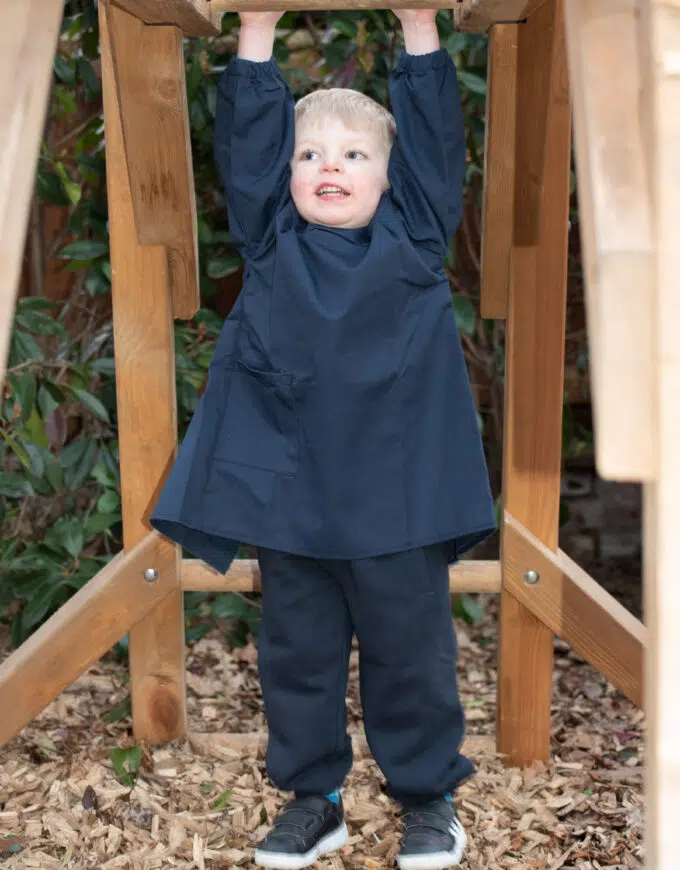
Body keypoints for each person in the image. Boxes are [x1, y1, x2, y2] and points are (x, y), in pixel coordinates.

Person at [150, 8, 496, 869]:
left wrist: (420, 27)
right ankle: (316, 800)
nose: (328, 167)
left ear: (390, 179)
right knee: (296, 658)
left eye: (353, 155)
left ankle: (427, 799)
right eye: (310, 156)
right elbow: (248, 148)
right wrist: (257, 29)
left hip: (397, 495)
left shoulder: (416, 238)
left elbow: (432, 141)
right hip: (294, 495)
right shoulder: (272, 239)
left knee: (408, 657)